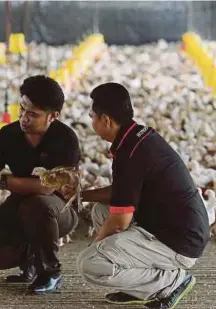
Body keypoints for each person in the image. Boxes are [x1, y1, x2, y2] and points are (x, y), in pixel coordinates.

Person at [67, 83, 209, 309]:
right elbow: (122, 191)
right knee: (101, 211)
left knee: (90, 263)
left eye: (92, 117)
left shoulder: (129, 154)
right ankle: (140, 286)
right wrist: (81, 195)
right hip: (178, 227)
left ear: (106, 120)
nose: (91, 122)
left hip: (180, 242)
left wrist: (96, 245)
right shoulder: (137, 136)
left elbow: (119, 222)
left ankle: (172, 281)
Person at [0, 75, 81, 294]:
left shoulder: (65, 139)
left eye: (33, 114)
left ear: (53, 116)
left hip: (60, 210)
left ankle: (50, 273)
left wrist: (1, 180)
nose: (24, 118)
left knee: (37, 205)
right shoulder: (8, 134)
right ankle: (30, 256)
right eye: (22, 110)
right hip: (19, 206)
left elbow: (47, 188)